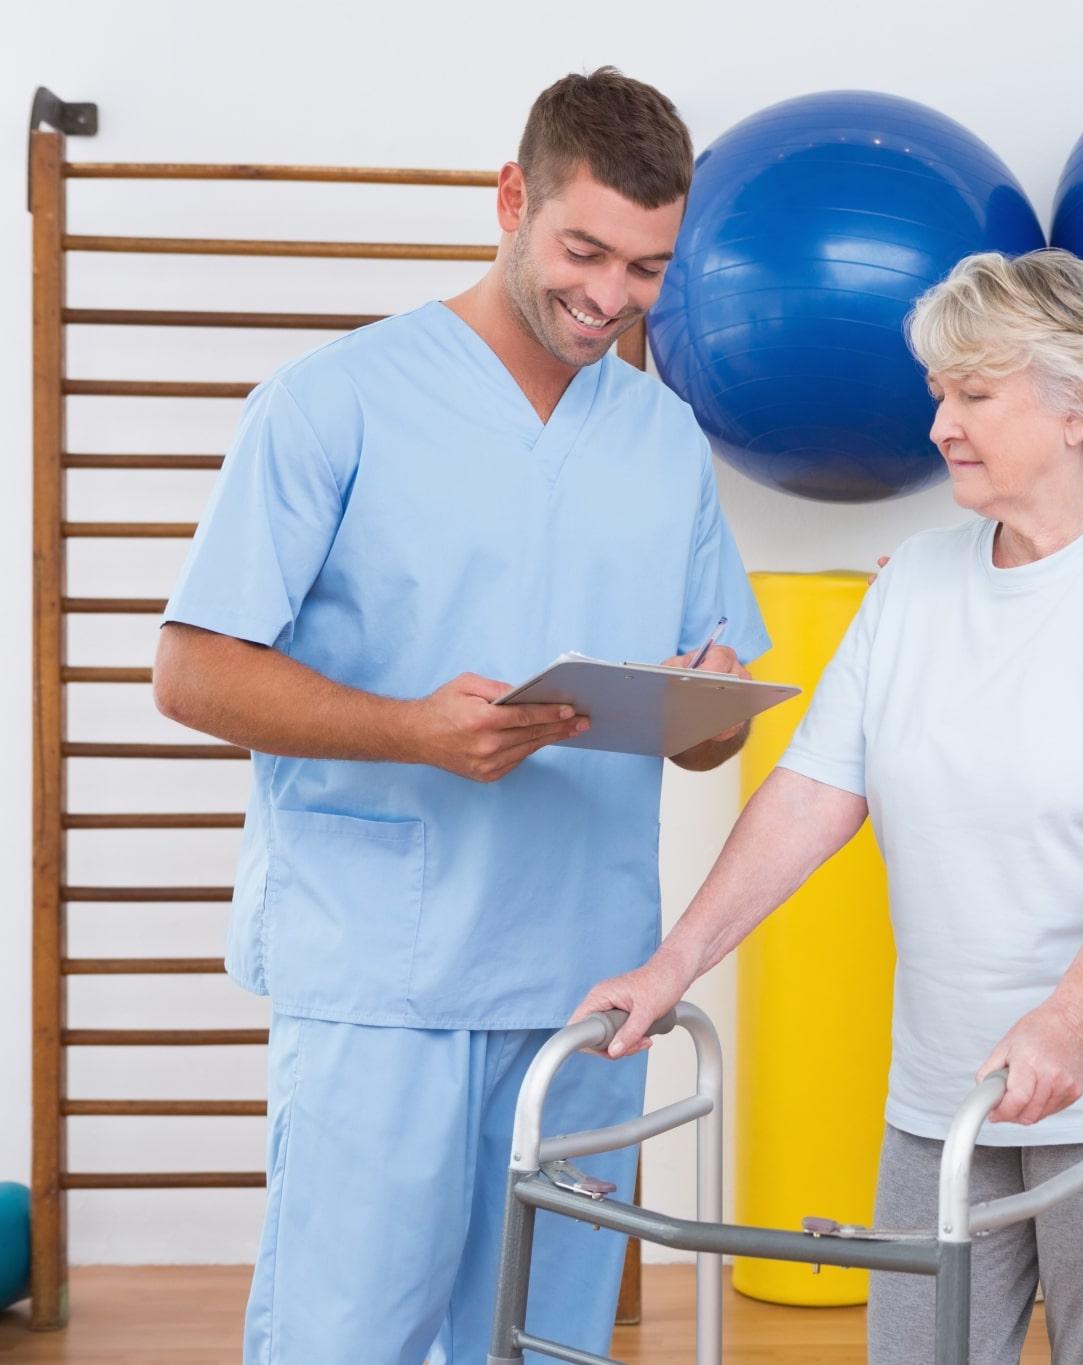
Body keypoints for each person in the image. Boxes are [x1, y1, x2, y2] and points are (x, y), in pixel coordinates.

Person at [151, 68, 766, 1365]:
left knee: (551, 1342)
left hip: (591, 980)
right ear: (510, 200)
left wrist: (708, 707)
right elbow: (193, 669)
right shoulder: (334, 402)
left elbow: (718, 729)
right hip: (387, 969)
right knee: (347, 1339)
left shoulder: (663, 441)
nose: (609, 298)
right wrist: (408, 729)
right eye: (584, 250)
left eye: (647, 268)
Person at [575, 249, 1083, 1364]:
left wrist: (1065, 1020)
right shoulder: (912, 583)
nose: (940, 419)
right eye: (937, 390)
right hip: (944, 1081)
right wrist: (674, 964)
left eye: (973, 393)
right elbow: (806, 797)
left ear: (1075, 406)